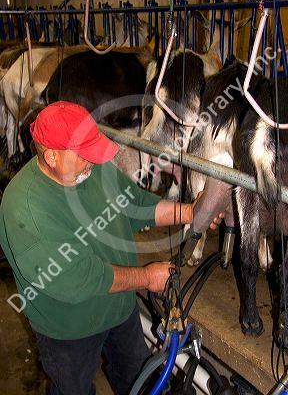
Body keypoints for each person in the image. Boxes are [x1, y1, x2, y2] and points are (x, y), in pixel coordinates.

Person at [0, 101, 223, 395]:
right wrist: (145, 278)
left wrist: (191, 213)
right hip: (68, 329)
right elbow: (80, 278)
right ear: (52, 156)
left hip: (119, 309)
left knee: (141, 382)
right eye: (84, 155)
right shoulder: (25, 209)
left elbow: (136, 205)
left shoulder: (92, 171)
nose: (93, 162)